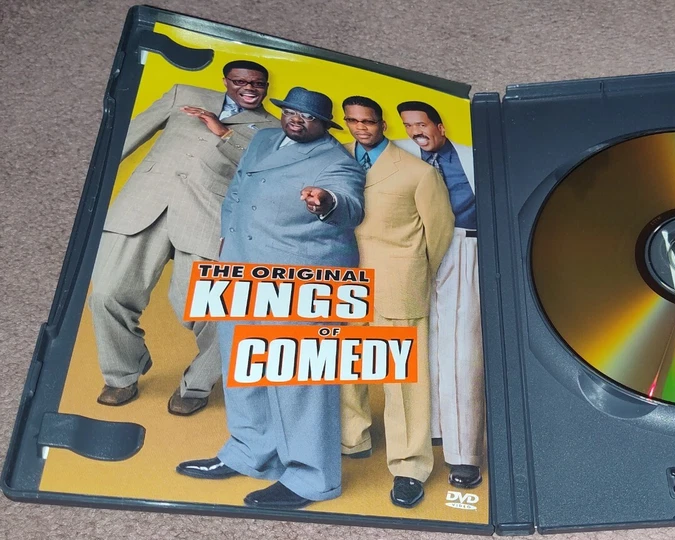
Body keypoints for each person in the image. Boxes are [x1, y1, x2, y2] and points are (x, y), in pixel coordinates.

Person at [175, 87, 366, 510]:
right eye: (291, 111)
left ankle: (312, 478)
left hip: (303, 279)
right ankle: (251, 453)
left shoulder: (337, 161)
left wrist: (326, 203)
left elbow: (350, 205)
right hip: (242, 268)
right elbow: (238, 191)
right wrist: (226, 245)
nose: (296, 119)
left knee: (300, 380)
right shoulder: (263, 139)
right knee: (243, 365)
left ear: (324, 125)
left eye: (307, 116)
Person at [89, 60, 279, 416]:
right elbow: (124, 136)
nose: (249, 88)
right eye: (240, 81)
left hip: (208, 217)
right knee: (106, 295)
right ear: (226, 81)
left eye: (258, 83)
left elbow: (263, 174)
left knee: (216, 315)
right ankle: (121, 374)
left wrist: (224, 132)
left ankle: (198, 384)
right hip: (143, 204)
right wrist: (91, 175)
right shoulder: (184, 94)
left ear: (266, 87)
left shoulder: (275, 128)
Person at [338, 96, 454, 508]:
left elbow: (439, 232)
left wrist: (414, 273)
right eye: (352, 121)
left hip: (398, 281)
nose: (360, 128)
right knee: (346, 363)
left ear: (382, 124)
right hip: (344, 281)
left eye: (368, 121)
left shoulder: (418, 172)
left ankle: (409, 466)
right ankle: (353, 438)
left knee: (403, 379)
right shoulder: (334, 157)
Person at [396, 101, 485, 489]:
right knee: (422, 344)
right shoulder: (398, 153)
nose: (415, 131)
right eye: (408, 125)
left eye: (421, 124)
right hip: (409, 249)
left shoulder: (471, 157)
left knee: (461, 352)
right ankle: (435, 430)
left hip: (463, 246)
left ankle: (465, 455)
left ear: (440, 126)